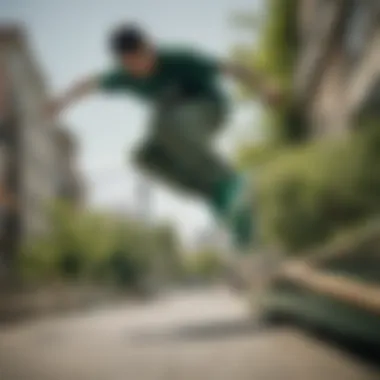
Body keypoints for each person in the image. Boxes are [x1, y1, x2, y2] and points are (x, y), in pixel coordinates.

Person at [47, 23, 282, 252]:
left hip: (209, 109)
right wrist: (60, 102)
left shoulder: (177, 58)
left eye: (143, 58)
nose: (140, 68)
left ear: (149, 47)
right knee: (144, 156)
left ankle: (230, 182)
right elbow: (90, 84)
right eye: (131, 65)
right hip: (176, 127)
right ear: (122, 63)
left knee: (165, 123)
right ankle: (217, 197)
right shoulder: (122, 76)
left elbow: (228, 67)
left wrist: (264, 86)